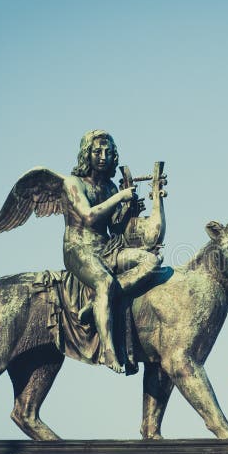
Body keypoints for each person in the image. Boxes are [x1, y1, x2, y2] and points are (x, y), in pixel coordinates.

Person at [63, 130, 161, 373]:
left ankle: (98, 302)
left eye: (108, 152)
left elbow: (114, 227)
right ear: (87, 154)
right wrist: (120, 197)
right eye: (97, 152)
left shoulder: (107, 186)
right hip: (79, 249)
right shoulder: (72, 183)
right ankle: (108, 352)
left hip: (107, 248)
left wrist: (128, 208)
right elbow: (87, 215)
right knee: (105, 282)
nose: (103, 156)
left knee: (151, 261)